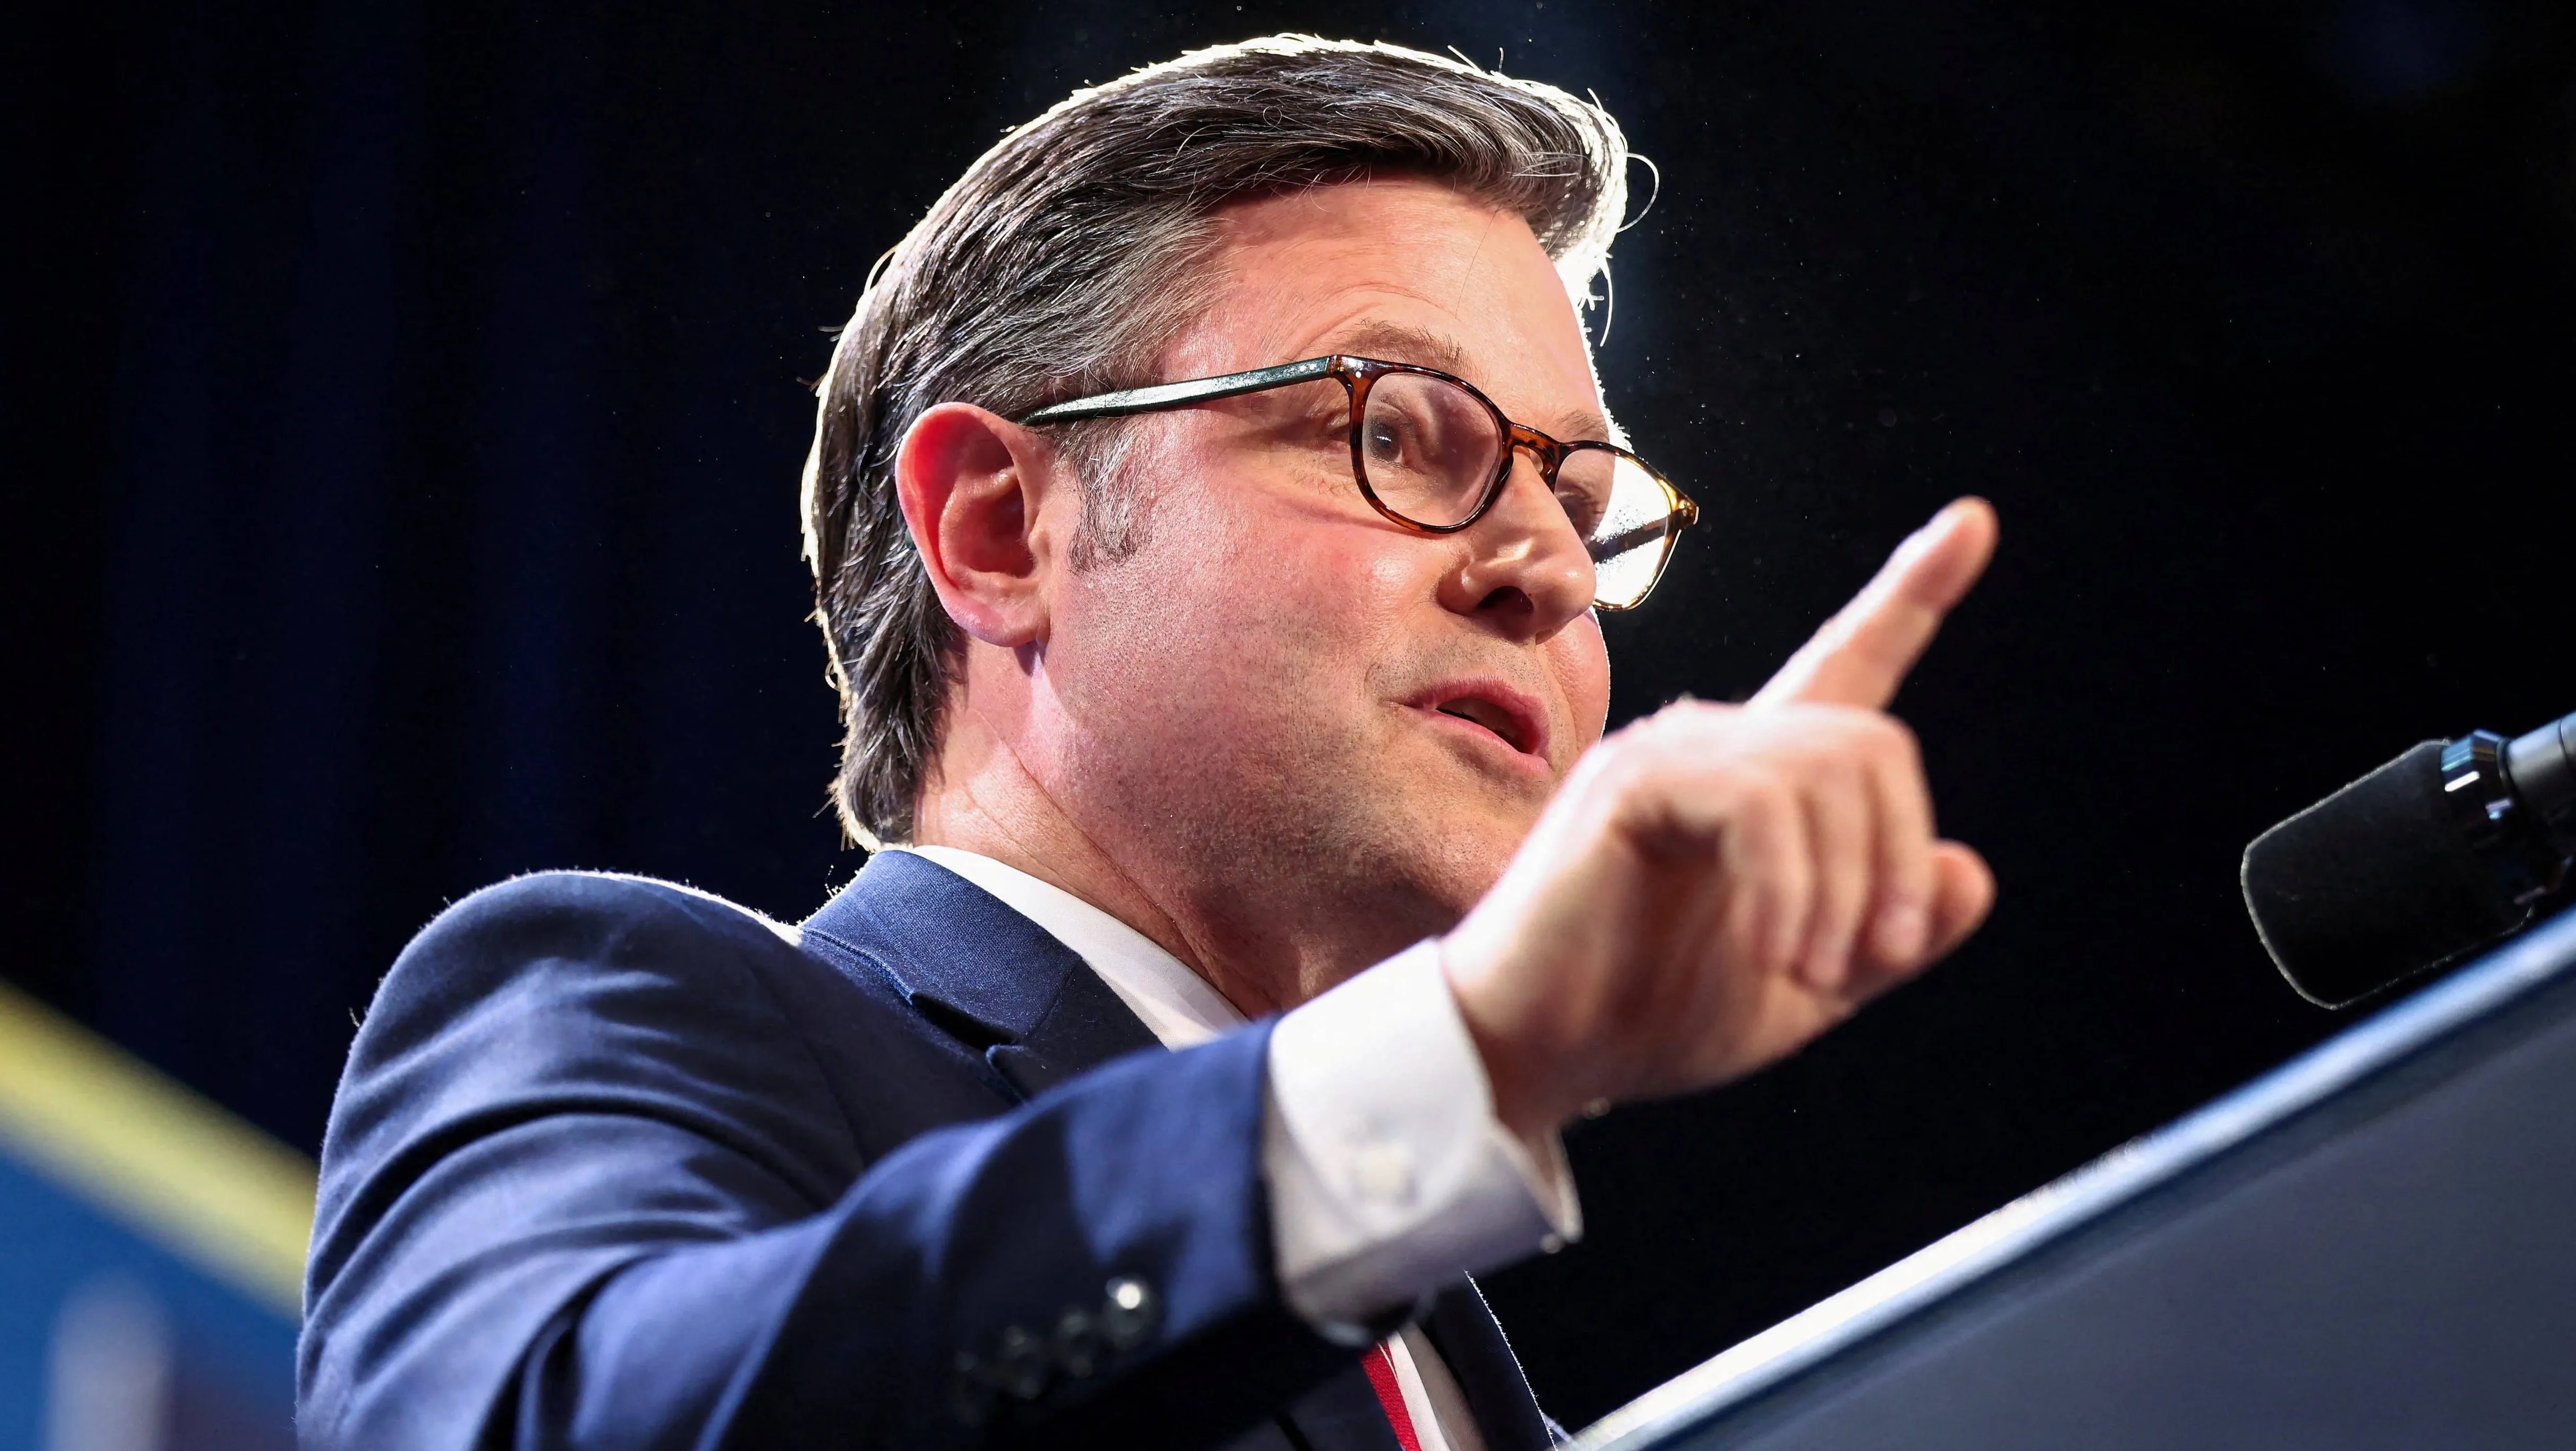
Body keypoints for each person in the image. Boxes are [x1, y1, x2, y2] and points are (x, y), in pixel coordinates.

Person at [298, 35, 1997, 1451]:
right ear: (995, 531)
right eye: (1398, 432)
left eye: (1580, 499)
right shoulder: (636, 1007)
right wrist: (1457, 1064)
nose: (1545, 568)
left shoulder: (1449, 1355)